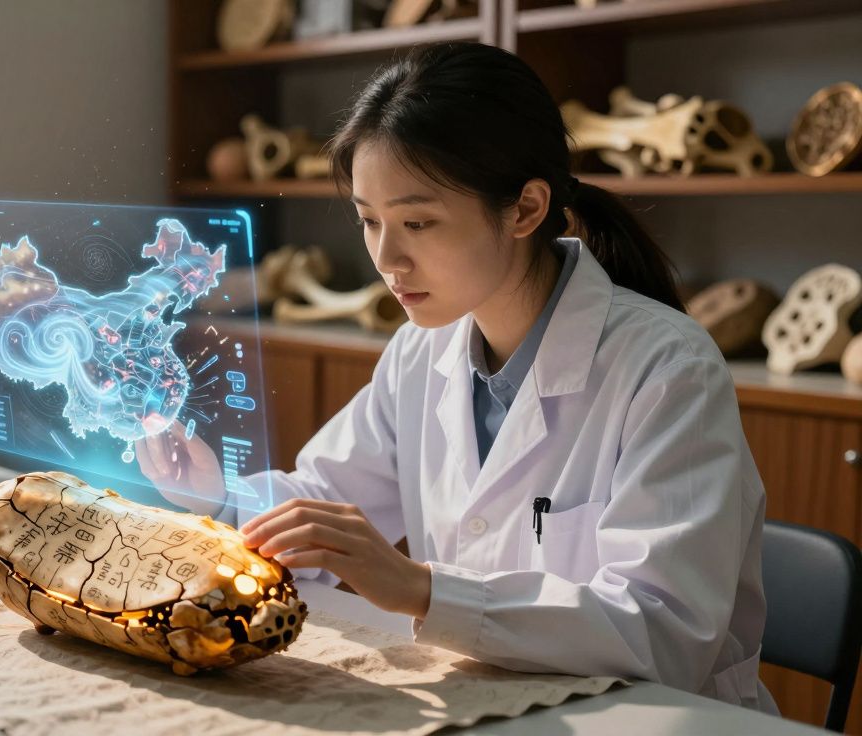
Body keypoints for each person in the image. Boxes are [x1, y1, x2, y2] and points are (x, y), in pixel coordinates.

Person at [136, 41, 776, 713]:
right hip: (492, 705)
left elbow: (665, 630)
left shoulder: (668, 368)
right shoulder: (424, 351)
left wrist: (422, 590)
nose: (387, 258)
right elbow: (322, 504)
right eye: (368, 220)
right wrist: (214, 496)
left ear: (526, 209)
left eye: (417, 221)